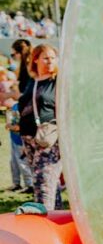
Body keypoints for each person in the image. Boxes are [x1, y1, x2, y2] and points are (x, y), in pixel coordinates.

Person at [18, 44, 63, 210]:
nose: (50, 61)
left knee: (43, 183)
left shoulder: (58, 81)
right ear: (35, 59)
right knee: (50, 183)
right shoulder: (32, 81)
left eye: (53, 57)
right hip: (29, 138)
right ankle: (56, 219)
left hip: (49, 139)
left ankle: (45, 219)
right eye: (45, 57)